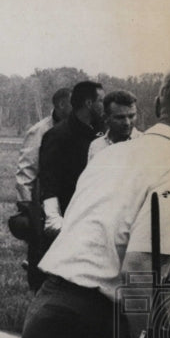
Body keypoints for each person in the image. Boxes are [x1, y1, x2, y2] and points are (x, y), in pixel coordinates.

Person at [21, 66, 170, 338]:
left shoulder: (110, 155)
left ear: (159, 103)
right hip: (96, 331)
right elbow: (140, 270)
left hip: (45, 313)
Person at [13, 88, 70, 290]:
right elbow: (26, 169)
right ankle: (37, 285)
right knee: (40, 245)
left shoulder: (79, 128)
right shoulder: (40, 131)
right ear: (61, 105)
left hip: (68, 197)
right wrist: (27, 205)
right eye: (73, 103)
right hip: (42, 199)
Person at [38, 80, 105, 237]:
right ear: (89, 103)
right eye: (101, 101)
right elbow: (49, 181)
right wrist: (54, 218)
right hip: (70, 213)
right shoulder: (57, 136)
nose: (105, 105)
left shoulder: (104, 129)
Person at [86, 90, 141, 162]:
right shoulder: (96, 146)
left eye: (131, 116)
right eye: (120, 117)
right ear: (105, 118)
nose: (127, 123)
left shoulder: (145, 143)